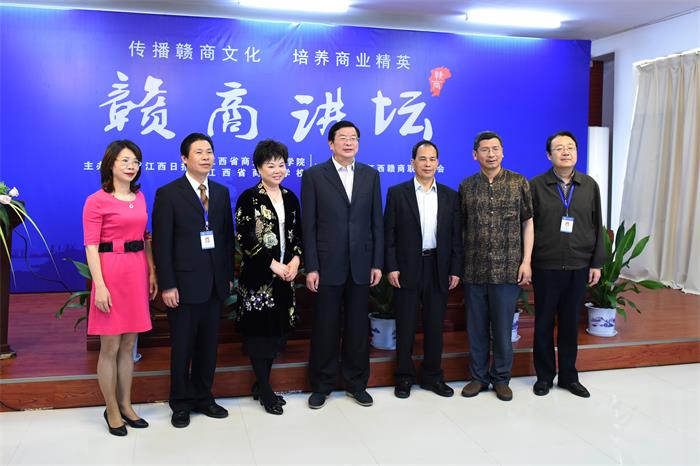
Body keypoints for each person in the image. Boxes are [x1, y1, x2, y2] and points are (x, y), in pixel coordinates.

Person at [152, 133, 234, 428]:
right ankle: (180, 403)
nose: (206, 157)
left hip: (214, 284)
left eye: (209, 151)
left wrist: (227, 277)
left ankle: (203, 397)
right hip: (183, 286)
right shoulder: (168, 193)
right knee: (183, 347)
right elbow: (162, 244)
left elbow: (226, 239)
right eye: (198, 152)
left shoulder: (221, 192)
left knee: (208, 347)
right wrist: (168, 284)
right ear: (184, 158)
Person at [301, 120, 383, 409]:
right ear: (331, 143)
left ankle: (357, 383)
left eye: (354, 138)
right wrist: (312, 266)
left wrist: (377, 262)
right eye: (343, 138)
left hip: (361, 263)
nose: (349, 142)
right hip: (327, 264)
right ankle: (321, 385)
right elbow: (308, 226)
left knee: (358, 327)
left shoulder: (370, 175)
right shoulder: (314, 175)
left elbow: (376, 222)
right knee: (325, 326)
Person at [82, 140, 157, 436]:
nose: (131, 166)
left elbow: (144, 237)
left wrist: (151, 271)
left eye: (135, 161)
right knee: (110, 346)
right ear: (110, 164)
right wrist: (99, 285)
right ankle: (111, 408)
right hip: (110, 272)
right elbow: (91, 246)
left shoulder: (140, 197)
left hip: (136, 272)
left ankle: (126, 404)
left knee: (129, 345)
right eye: (125, 160)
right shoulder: (96, 200)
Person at [384, 140, 462, 399]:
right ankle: (404, 377)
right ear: (413, 162)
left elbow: (455, 237)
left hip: (438, 266)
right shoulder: (397, 193)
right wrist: (392, 267)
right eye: (422, 159)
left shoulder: (450, 196)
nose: (428, 164)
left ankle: (432, 377)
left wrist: (455, 269)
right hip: (407, 267)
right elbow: (389, 234)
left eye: (432, 159)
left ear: (438, 163)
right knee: (405, 325)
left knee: (434, 326)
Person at [459, 131, 534, 402]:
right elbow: (462, 229)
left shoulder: (518, 182)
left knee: (503, 330)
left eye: (495, 149)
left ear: (502, 152)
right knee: (476, 329)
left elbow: (528, 223)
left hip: (507, 269)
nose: (491, 154)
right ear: (475, 154)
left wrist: (526, 261)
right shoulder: (467, 186)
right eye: (485, 149)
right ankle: (478, 378)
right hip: (474, 269)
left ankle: (501, 379)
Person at [530, 131, 605, 398]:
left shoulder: (589, 185)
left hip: (578, 265)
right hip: (545, 265)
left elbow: (597, 225)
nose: (566, 152)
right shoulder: (536, 185)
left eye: (570, 147)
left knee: (570, 323)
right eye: (559, 148)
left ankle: (569, 377)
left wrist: (596, 263)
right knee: (543, 323)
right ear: (549, 155)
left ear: (576, 152)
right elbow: (527, 227)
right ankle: (544, 377)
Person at [234, 139, 302, 415]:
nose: (277, 170)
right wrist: (273, 265)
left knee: (275, 335)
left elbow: (297, 235)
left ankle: (261, 386)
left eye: (281, 164)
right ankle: (265, 390)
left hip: (285, 277)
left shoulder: (290, 197)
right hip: (258, 279)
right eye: (270, 165)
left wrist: (295, 261)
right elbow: (245, 238)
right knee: (258, 336)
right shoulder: (249, 198)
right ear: (258, 168)